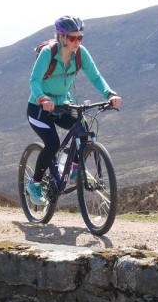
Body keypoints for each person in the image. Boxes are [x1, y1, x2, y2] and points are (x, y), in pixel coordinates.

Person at [26, 15, 122, 205]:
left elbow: (95, 76)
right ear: (61, 37)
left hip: (63, 104)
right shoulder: (48, 53)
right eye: (72, 38)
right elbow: (34, 81)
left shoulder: (81, 54)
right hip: (39, 108)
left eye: (80, 37)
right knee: (52, 143)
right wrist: (42, 98)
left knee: (83, 129)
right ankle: (35, 184)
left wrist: (109, 94)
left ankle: (74, 170)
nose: (77, 42)